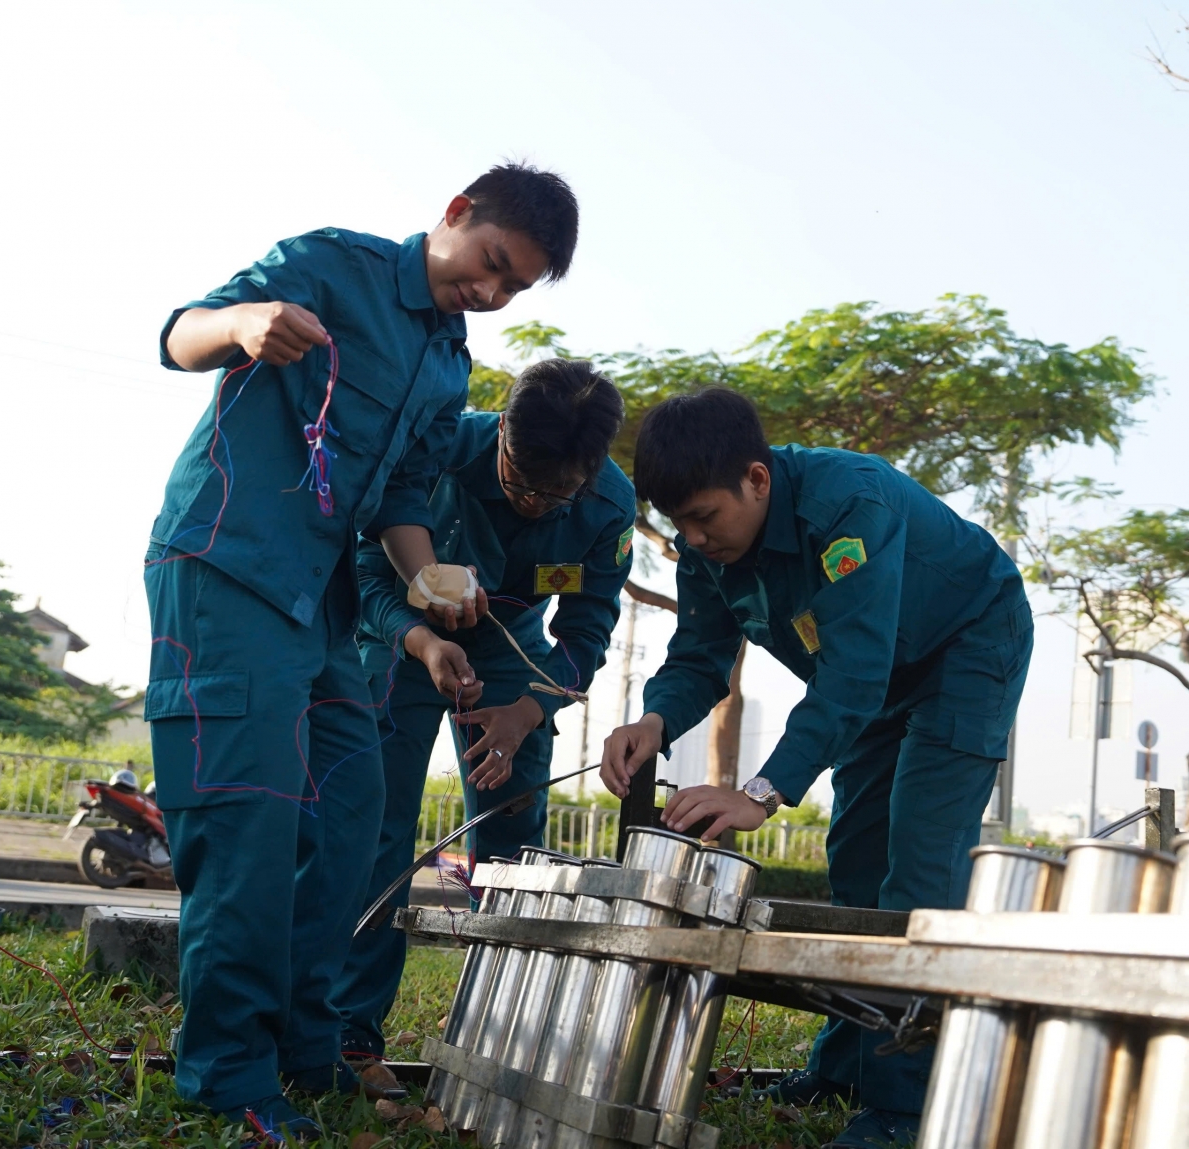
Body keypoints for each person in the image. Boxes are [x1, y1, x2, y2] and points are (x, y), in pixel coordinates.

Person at [143, 163, 578, 1138]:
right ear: (458, 214)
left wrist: (427, 580)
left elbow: (399, 502)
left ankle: (305, 1045)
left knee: (353, 823)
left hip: (328, 612)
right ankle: (226, 1075)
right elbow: (180, 333)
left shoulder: (448, 358)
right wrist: (244, 327)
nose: (493, 292)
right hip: (231, 568)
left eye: (515, 288)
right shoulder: (331, 266)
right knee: (248, 828)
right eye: (492, 265)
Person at [600, 388, 1032, 1148]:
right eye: (681, 526)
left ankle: (906, 1105)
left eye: (706, 517)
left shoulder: (845, 506)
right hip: (871, 680)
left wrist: (762, 792)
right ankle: (845, 1069)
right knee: (856, 867)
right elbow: (699, 655)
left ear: (758, 480)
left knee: (921, 873)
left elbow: (855, 670)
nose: (696, 539)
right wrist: (655, 720)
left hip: (967, 646)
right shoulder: (706, 552)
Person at [333, 358, 635, 1058]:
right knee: (375, 828)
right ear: (500, 430)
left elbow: (585, 631)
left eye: (557, 496)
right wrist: (421, 640)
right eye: (521, 483)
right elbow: (367, 569)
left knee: (510, 846)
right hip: (400, 643)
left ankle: (496, 1034)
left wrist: (528, 710)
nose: (534, 504)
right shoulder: (436, 451)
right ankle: (348, 1026)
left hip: (514, 661)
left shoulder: (609, 508)